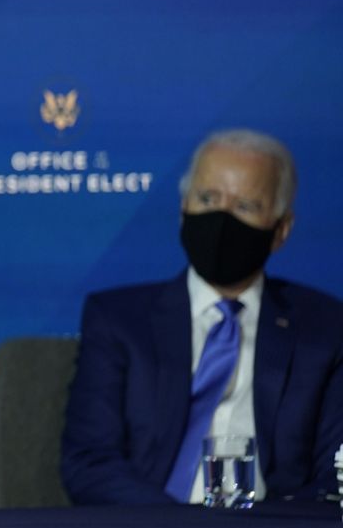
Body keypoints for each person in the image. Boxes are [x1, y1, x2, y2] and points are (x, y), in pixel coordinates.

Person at [61, 128, 343, 505]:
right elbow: (89, 463)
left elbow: (335, 474)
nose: (222, 221)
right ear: (183, 210)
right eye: (208, 199)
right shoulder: (118, 321)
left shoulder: (324, 329)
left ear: (281, 230)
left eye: (245, 207)